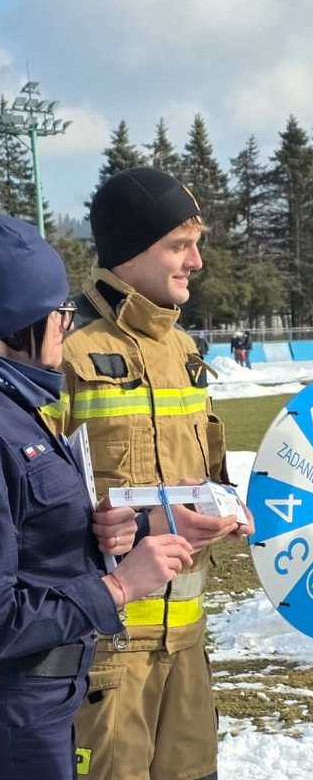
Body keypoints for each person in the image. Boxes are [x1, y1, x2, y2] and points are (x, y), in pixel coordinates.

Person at [44, 168, 253, 780]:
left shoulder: (183, 349)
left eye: (196, 244)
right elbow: (31, 502)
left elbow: (201, 473)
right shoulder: (64, 347)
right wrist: (142, 523)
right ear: (132, 251)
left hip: (186, 646)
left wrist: (226, 507)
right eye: (179, 245)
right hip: (103, 652)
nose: (196, 261)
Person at [0, 212, 194, 780]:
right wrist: (119, 586)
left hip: (46, 702)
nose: (66, 324)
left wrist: (137, 526)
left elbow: (36, 539)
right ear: (18, 321)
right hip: (19, 718)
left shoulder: (20, 411)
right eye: (56, 311)